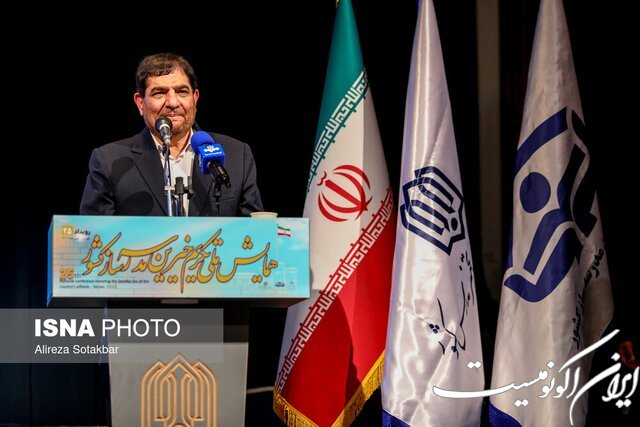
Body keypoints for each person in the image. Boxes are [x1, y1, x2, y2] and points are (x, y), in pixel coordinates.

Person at [80, 52, 263, 216]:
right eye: (159, 93)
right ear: (140, 103)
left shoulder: (237, 155)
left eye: (182, 92)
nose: (173, 103)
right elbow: (95, 235)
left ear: (195, 98)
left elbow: (256, 233)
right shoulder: (110, 161)